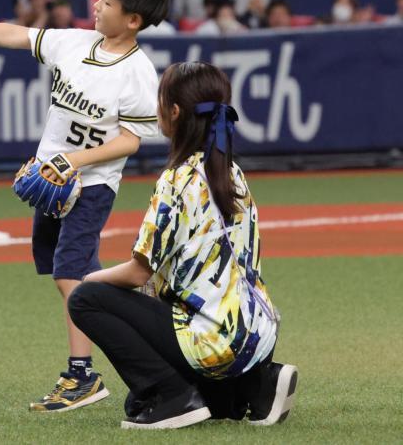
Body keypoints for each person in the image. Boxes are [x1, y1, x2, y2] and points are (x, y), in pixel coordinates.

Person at [0, 0, 169, 413]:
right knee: (64, 270)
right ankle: (132, 302)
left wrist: (75, 161)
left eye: (108, 1)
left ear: (134, 20)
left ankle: (83, 373)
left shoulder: (139, 74)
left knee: (70, 275)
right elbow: (17, 34)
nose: (97, 4)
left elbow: (129, 140)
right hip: (52, 182)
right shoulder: (74, 43)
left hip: (91, 187)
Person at [67, 62, 297, 429]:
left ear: (173, 112)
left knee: (85, 299)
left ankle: (171, 397)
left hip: (212, 338)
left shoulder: (177, 180)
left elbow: (138, 271)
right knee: (196, 400)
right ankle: (257, 385)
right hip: (257, 334)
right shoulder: (230, 171)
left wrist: (91, 279)